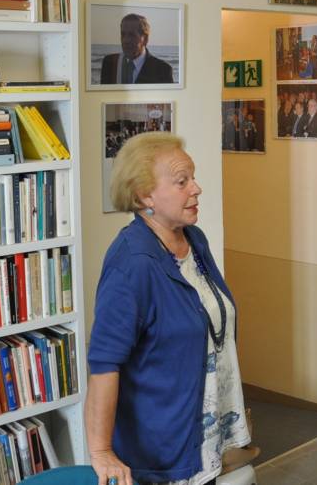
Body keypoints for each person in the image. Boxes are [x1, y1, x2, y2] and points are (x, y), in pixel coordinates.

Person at [86, 132, 251, 485]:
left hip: (202, 434)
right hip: (162, 451)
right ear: (145, 195)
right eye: (182, 181)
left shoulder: (194, 239)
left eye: (193, 177)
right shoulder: (132, 263)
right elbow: (104, 362)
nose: (197, 188)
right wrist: (101, 452)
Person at [99, 13, 175, 85]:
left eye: (132, 35)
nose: (126, 40)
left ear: (145, 39)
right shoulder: (110, 63)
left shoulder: (162, 70)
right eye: (123, 34)